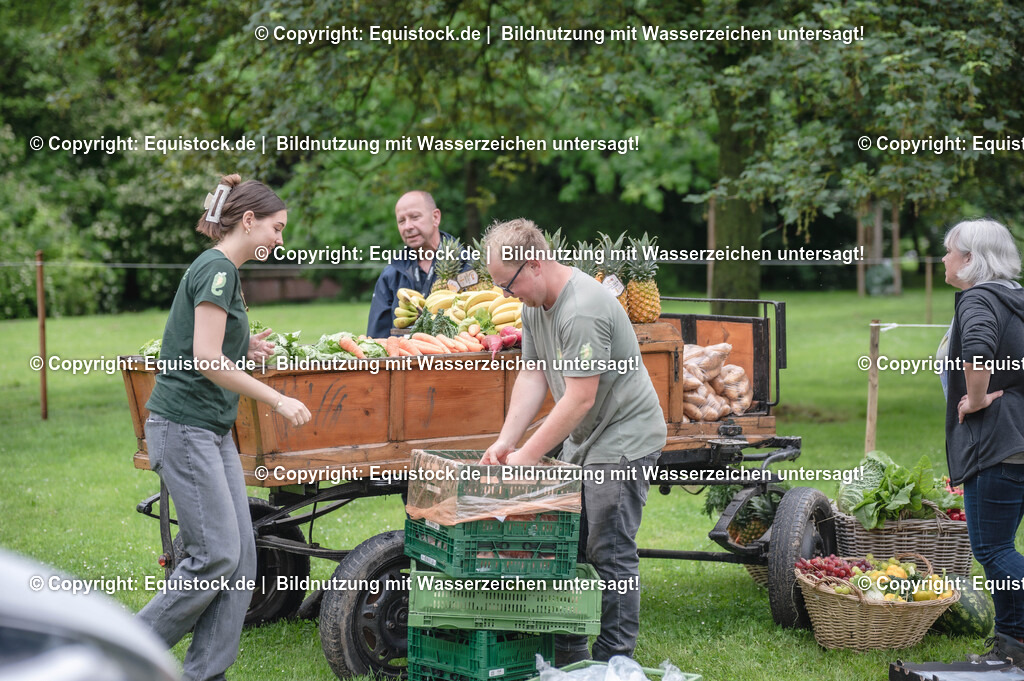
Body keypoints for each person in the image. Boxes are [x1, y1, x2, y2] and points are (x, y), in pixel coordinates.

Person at [139, 174, 311, 681]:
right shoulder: (217, 271)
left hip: (209, 432)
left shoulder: (222, 272)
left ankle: (203, 675)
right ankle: (117, 657)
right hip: (184, 428)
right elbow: (207, 360)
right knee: (215, 557)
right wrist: (278, 398)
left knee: (240, 562)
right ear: (249, 219)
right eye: (276, 229)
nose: (280, 240)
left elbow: (214, 343)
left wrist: (247, 345)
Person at [479, 218, 667, 664]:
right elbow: (533, 373)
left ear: (537, 263)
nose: (508, 296)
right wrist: (508, 441)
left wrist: (528, 455)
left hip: (623, 437)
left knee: (609, 550)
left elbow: (580, 398)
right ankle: (569, 651)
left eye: (509, 286)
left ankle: (613, 659)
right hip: (587, 438)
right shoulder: (535, 304)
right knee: (568, 542)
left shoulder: (582, 308)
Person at [940, 218, 1024, 665]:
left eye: (950, 251)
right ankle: (1013, 644)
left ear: (970, 259)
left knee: (991, 549)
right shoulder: (1016, 298)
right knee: (1004, 547)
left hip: (1000, 443)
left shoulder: (978, 298)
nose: (943, 259)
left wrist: (974, 401)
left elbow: (977, 350)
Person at [366, 190, 466, 337]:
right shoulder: (391, 274)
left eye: (415, 217)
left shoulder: (467, 266)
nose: (407, 226)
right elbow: (377, 337)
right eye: (401, 221)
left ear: (435, 217)